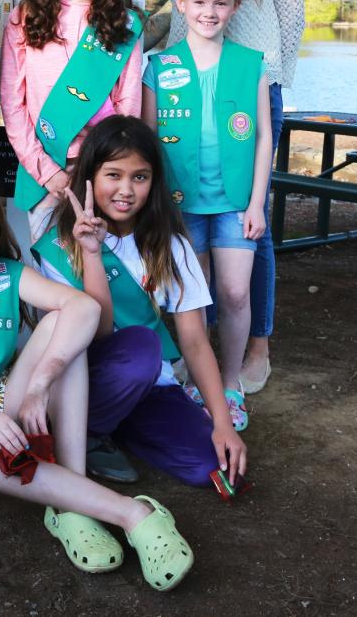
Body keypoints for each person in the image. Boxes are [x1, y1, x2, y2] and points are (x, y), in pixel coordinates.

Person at [0, 180, 194, 592]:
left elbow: (84, 307)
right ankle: (131, 513)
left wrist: (40, 384)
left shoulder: (6, 274)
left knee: (64, 327)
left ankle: (71, 507)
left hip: (3, 406)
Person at [159, 0, 304, 393]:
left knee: (251, 220)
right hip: (189, 84)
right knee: (188, 216)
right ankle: (198, 345)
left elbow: (291, 9)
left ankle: (255, 344)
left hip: (251, 86)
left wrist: (276, 79)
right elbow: (177, 10)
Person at [33, 116, 248, 485]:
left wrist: (223, 424)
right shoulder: (59, 244)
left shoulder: (171, 245)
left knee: (210, 467)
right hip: (82, 379)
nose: (126, 189)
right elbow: (97, 335)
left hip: (149, 386)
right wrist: (93, 254)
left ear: (154, 182)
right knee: (141, 348)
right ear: (90, 177)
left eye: (139, 177)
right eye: (113, 175)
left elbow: (195, 342)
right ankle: (87, 429)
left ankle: (115, 429)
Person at [143, 0, 271, 428]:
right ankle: (194, 376)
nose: (209, 12)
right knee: (191, 299)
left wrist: (257, 202)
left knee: (235, 292)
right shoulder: (160, 66)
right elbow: (149, 140)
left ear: (234, 7)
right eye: (199, 2)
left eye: (220, 3)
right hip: (181, 207)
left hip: (236, 203)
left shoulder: (250, 63)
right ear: (181, 4)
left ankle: (232, 382)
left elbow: (262, 137)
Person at [1, 0, 143, 243]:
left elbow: (128, 107)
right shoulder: (25, 17)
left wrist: (96, 169)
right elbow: (12, 104)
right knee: (48, 280)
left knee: (100, 275)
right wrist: (47, 172)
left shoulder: (123, 22)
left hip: (101, 171)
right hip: (44, 170)